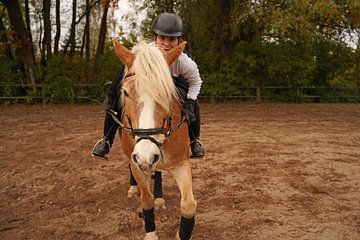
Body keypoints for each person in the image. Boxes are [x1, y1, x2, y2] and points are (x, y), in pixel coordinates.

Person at [91, 12, 205, 160]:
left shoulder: (185, 62)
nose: (166, 43)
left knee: (194, 105)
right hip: (146, 81)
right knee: (116, 103)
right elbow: (124, 78)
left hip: (174, 82)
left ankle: (194, 140)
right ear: (154, 38)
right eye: (162, 38)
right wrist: (112, 96)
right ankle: (106, 140)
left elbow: (196, 82)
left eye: (171, 39)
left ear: (178, 40)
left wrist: (189, 101)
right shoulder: (144, 55)